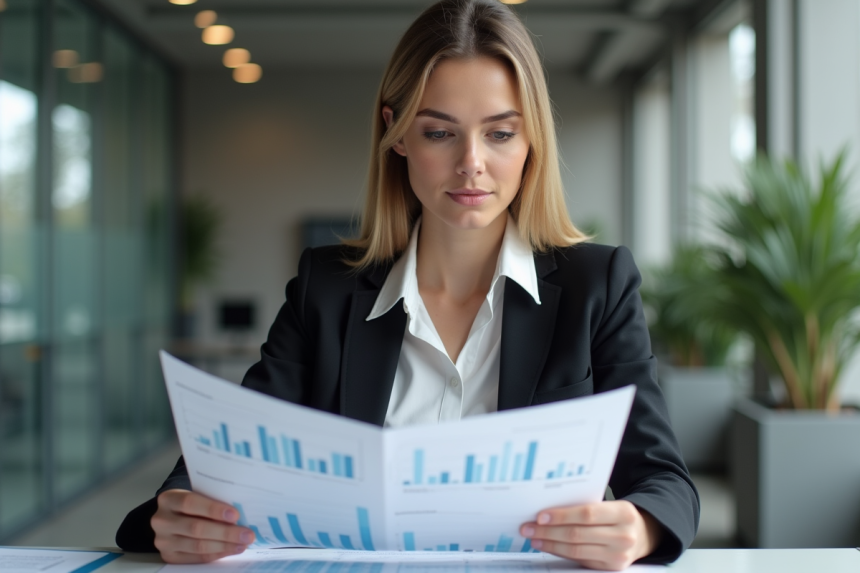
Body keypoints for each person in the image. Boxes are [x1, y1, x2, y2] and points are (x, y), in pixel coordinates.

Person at [116, 1, 699, 570]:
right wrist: (180, 513)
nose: (471, 163)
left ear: (532, 141)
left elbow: (664, 482)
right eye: (440, 133)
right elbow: (223, 457)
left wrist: (640, 526)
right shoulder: (326, 288)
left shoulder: (597, 285)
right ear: (396, 136)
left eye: (499, 134)